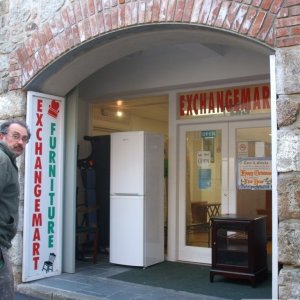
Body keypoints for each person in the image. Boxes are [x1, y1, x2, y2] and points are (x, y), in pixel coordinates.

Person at [0, 119, 31, 299]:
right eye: (16, 136)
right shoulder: (2, 160)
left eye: (24, 139)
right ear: (2, 136)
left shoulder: (7, 160)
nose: (20, 142)